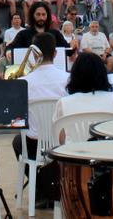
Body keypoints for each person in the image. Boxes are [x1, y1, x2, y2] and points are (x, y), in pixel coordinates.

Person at [11, 32, 68, 207]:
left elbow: (16, 118)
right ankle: (50, 186)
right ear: (56, 54)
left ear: (35, 54)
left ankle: (42, 188)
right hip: (62, 143)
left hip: (34, 144)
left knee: (17, 142)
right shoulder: (68, 78)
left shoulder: (23, 82)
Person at [52, 52, 113, 127]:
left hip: (75, 139)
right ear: (102, 73)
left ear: (75, 75)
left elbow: (59, 135)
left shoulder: (63, 103)